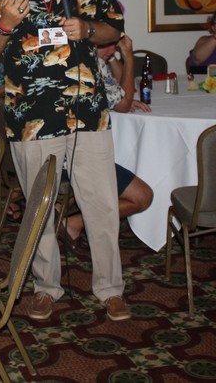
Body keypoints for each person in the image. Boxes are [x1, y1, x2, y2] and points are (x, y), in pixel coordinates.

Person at [0, 0, 130, 323]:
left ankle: (111, 289)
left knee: (102, 205)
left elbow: (114, 28)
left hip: (88, 111)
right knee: (39, 208)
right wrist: (5, 23)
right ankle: (45, 288)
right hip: (30, 114)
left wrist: (89, 29)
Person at [63, 34, 154, 248]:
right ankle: (73, 223)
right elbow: (125, 101)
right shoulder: (90, 63)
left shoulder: (89, 58)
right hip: (74, 157)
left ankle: (59, 212)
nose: (114, 49)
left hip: (65, 151)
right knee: (142, 196)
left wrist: (111, 57)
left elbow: (124, 93)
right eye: (110, 44)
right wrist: (128, 57)